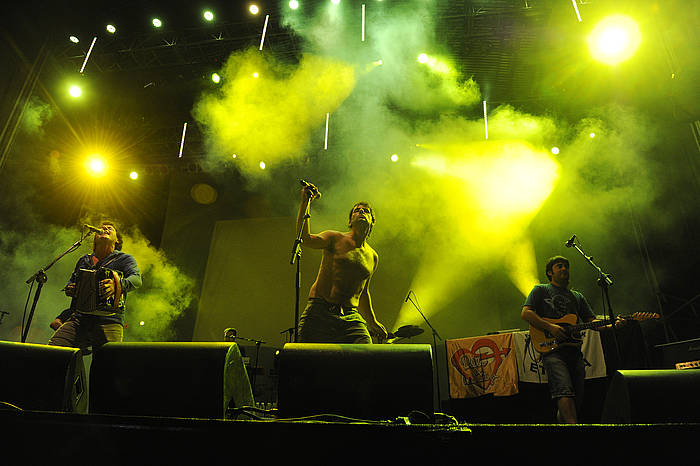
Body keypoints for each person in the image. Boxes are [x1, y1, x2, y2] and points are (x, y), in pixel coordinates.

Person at [295, 182, 387, 343]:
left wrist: (372, 322)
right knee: (308, 355)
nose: (361, 212)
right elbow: (305, 239)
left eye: (365, 211)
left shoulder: (373, 256)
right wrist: (305, 202)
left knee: (366, 352)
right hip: (320, 311)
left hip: (351, 316)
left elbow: (363, 291)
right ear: (350, 221)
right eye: (357, 210)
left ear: (372, 221)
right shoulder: (334, 237)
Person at [521, 255, 596, 424]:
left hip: (574, 351)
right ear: (550, 273)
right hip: (552, 350)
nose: (564, 269)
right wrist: (551, 327)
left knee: (577, 397)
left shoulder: (577, 296)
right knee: (564, 391)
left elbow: (592, 322)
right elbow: (526, 313)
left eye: (566, 266)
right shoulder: (540, 290)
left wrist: (613, 324)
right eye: (559, 266)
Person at [48, 221, 141, 352]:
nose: (105, 229)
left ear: (117, 240)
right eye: (102, 228)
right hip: (80, 319)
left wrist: (117, 284)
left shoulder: (124, 259)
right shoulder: (84, 260)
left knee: (105, 363)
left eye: (110, 228)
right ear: (95, 237)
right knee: (54, 351)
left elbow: (136, 280)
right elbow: (71, 281)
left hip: (110, 320)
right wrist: (70, 288)